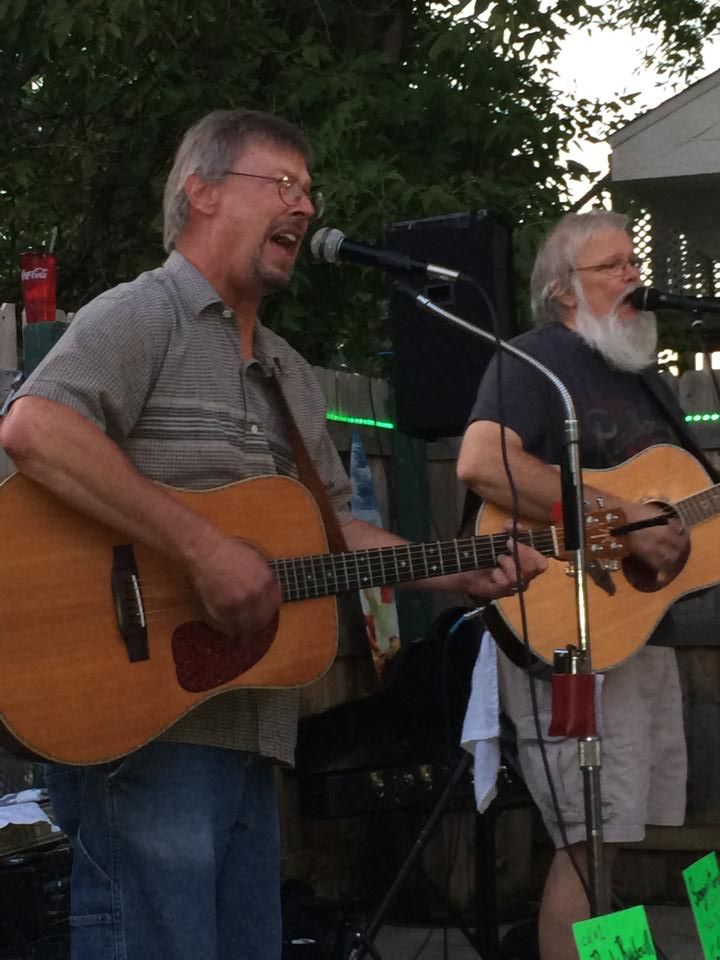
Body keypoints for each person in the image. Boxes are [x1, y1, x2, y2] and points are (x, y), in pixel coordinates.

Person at [0, 109, 547, 960]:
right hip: (142, 727)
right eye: (282, 183)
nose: (305, 204)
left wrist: (452, 570)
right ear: (203, 194)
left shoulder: (288, 371)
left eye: (309, 189)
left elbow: (328, 537)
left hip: (250, 724)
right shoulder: (144, 314)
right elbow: (35, 428)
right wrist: (202, 549)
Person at [457, 210, 714, 960]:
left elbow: (688, 507)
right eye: (614, 266)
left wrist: (655, 525)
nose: (635, 276)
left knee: (625, 834)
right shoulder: (534, 361)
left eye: (635, 262)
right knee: (588, 841)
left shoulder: (645, 380)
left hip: (643, 629)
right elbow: (482, 463)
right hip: (568, 624)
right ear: (564, 291)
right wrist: (624, 516)